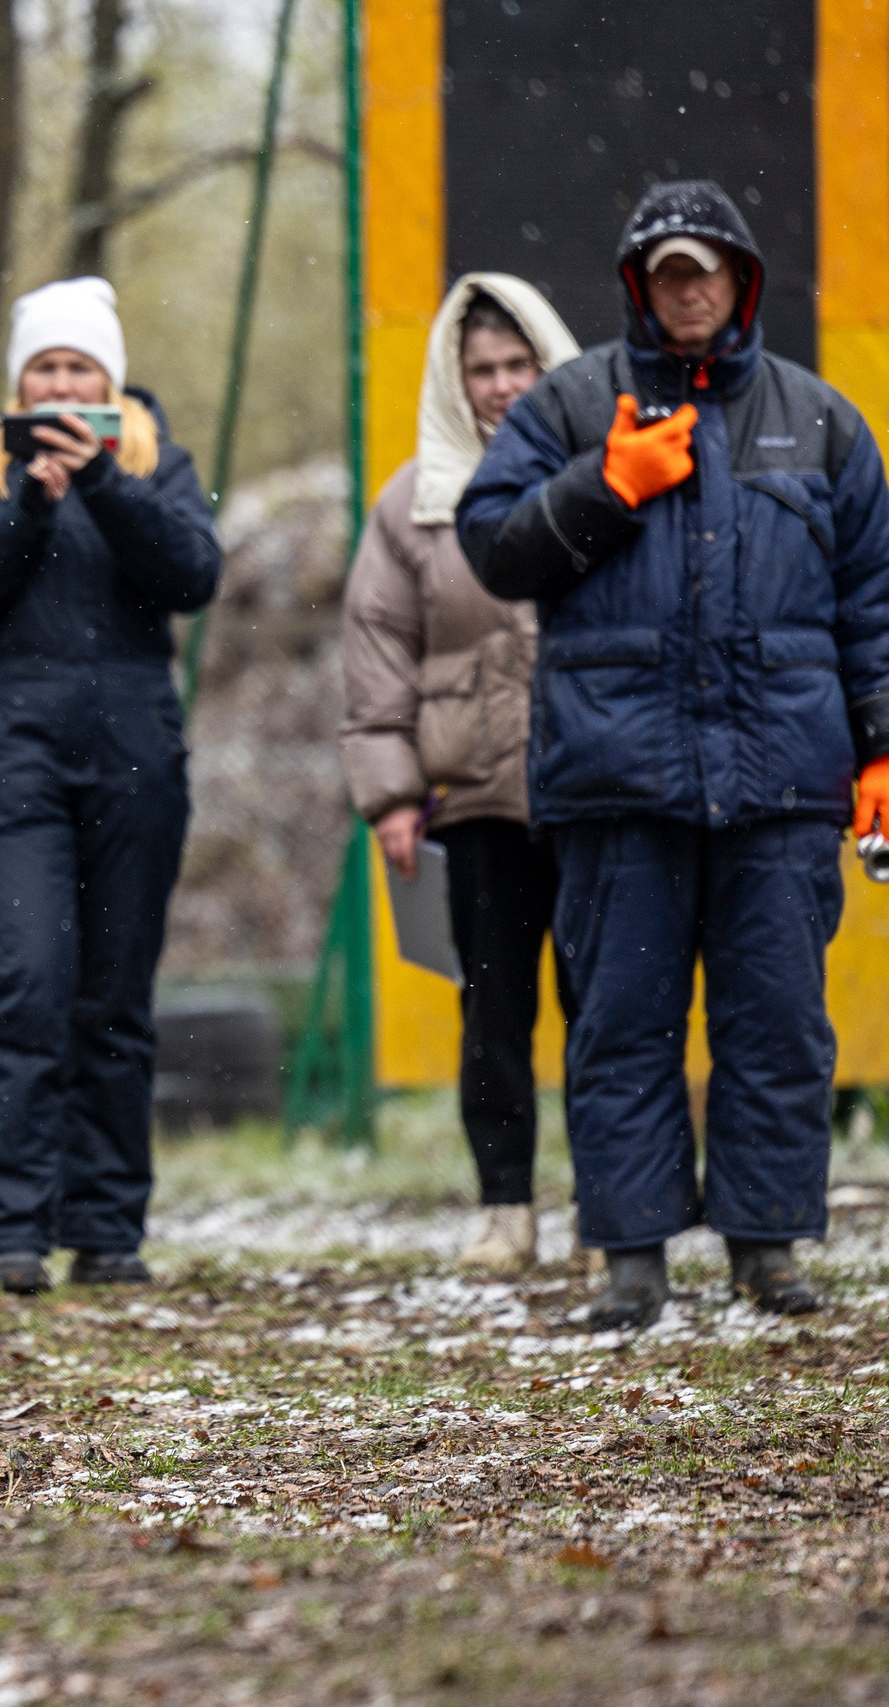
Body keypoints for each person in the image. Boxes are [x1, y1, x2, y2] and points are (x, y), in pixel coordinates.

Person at [459, 181, 889, 1328]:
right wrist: (604, 488)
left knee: (779, 1024)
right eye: (666, 273)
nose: (687, 290)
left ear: (740, 282)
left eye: (706, 271)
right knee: (620, 1022)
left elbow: (872, 603)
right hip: (617, 784)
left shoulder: (824, 421)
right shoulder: (565, 405)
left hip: (783, 783)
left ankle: (766, 1250)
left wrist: (879, 747)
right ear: (637, 286)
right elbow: (494, 550)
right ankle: (632, 1259)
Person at [0, 277, 224, 1295]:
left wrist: (98, 485)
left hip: (137, 754)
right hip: (15, 756)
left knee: (114, 998)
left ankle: (106, 1232)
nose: (58, 384)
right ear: (20, 382)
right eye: (42, 368)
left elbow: (191, 575)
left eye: (77, 368)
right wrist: (29, 509)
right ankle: (7, 1233)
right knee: (25, 986)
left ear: (109, 382)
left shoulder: (157, 467)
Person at [340, 275, 582, 1274]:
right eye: (480, 369)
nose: (500, 387)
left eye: (517, 365)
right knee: (492, 1014)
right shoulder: (413, 502)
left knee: (607, 1006)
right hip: (474, 803)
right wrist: (393, 795)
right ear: (455, 380)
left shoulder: (608, 474)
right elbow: (376, 647)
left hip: (593, 790)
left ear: (549, 365)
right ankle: (505, 1208)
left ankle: (620, 1208)